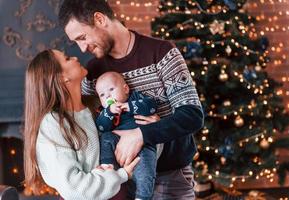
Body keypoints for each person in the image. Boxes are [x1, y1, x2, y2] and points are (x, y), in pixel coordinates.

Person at [58, 0, 204, 199]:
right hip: (116, 184)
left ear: (99, 19)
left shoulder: (161, 53)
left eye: (82, 37)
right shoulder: (91, 73)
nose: (82, 48)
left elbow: (192, 116)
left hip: (168, 180)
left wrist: (142, 134)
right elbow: (88, 128)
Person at [23, 49, 140, 200]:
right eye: (67, 58)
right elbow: (74, 188)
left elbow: (136, 140)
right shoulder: (53, 123)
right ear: (61, 78)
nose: (75, 57)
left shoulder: (99, 105)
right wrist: (121, 175)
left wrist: (145, 130)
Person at [95, 71, 160, 200]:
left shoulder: (135, 98)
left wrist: (128, 106)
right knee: (106, 137)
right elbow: (101, 127)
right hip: (117, 143)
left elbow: (151, 107)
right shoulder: (106, 112)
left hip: (143, 144)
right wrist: (109, 112)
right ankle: (108, 165)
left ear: (125, 89)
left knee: (146, 172)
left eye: (111, 89)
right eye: (102, 95)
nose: (108, 96)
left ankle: (143, 196)